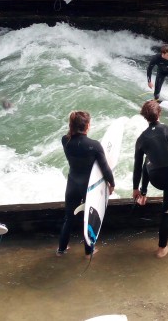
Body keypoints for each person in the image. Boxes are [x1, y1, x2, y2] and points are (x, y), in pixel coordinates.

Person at [132, 100, 168, 258]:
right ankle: (161, 249)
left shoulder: (141, 139)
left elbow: (137, 166)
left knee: (146, 160)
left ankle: (143, 195)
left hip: (155, 179)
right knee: (167, 212)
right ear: (160, 113)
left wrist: (136, 189)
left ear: (145, 117)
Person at [58, 110, 115, 258]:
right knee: (87, 219)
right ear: (87, 126)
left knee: (68, 218)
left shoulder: (65, 140)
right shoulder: (94, 145)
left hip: (72, 184)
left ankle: (61, 250)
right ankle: (89, 253)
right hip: (88, 187)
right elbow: (105, 169)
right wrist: (112, 183)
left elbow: (71, 137)